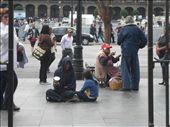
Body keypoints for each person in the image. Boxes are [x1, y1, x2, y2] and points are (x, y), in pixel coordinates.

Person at [117, 15, 147, 91]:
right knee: (135, 68)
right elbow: (144, 40)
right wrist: (139, 46)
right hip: (134, 51)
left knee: (125, 68)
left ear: (126, 22)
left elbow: (119, 41)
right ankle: (135, 86)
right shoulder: (137, 29)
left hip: (126, 51)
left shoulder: (124, 29)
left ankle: (126, 86)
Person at [0, 7, 20, 111]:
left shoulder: (9, 28)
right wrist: (9, 26)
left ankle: (3, 103)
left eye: (9, 17)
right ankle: (8, 103)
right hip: (4, 61)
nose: (8, 19)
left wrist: (19, 45)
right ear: (1, 18)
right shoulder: (2, 27)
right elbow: (3, 38)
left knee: (3, 83)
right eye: (5, 17)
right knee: (13, 81)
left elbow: (15, 40)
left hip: (9, 60)